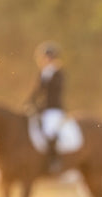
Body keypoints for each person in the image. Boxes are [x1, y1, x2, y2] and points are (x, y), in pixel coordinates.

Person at [28, 41, 65, 173]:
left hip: (54, 110)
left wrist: (41, 106)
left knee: (49, 132)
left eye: (46, 57)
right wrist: (29, 103)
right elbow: (37, 92)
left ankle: (54, 161)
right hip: (43, 109)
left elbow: (54, 93)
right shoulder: (43, 73)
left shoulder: (58, 73)